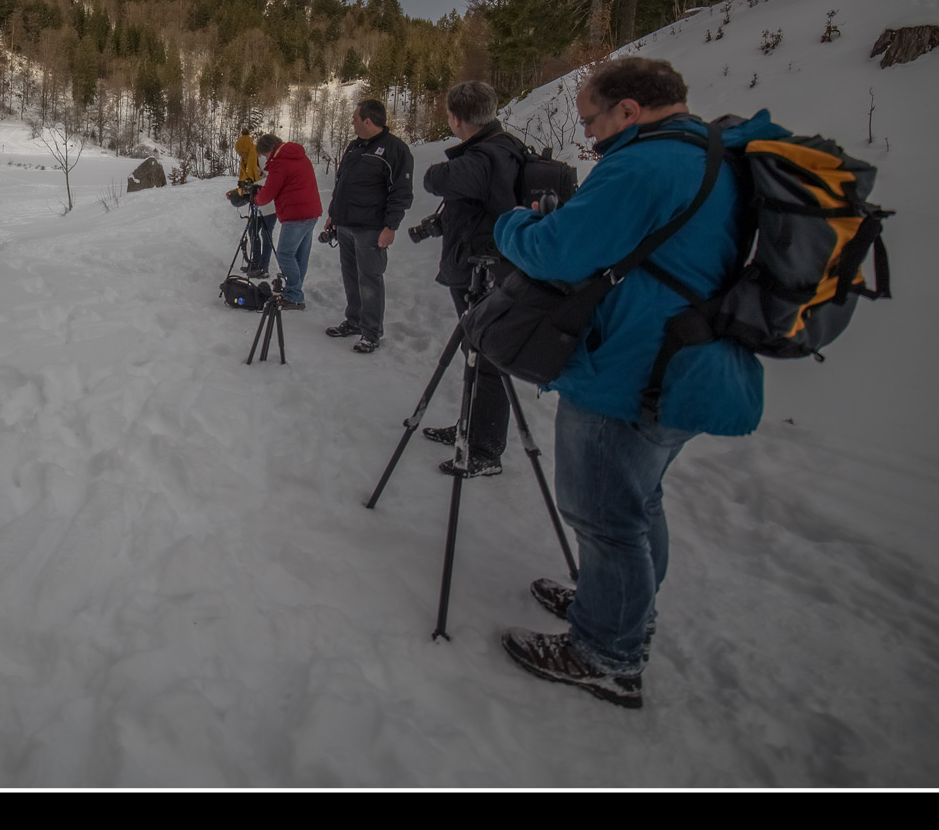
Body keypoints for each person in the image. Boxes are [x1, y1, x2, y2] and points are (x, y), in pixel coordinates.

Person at [492, 57, 772, 709]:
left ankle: (606, 652)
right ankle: (614, 609)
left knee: (605, 515)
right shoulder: (709, 151)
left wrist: (511, 224)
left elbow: (560, 250)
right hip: (681, 358)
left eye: (591, 118)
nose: (588, 136)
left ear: (629, 110)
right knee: (638, 502)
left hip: (631, 365)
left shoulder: (644, 164)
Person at [417, 80, 526, 478]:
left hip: (485, 269)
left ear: (458, 118)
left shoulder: (486, 157)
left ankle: (485, 449)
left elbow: (437, 180)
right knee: (475, 352)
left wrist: (441, 167)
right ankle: (473, 427)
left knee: (488, 354)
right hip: (481, 265)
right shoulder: (500, 148)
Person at [322, 98, 414, 353]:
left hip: (371, 228)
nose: (352, 122)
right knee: (350, 276)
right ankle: (354, 321)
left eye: (355, 118)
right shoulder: (355, 146)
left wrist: (391, 226)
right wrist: (333, 215)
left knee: (370, 280)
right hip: (346, 225)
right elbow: (342, 183)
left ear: (368, 121)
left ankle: (371, 332)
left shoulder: (395, 149)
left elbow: (402, 192)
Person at [247, 132, 321, 310]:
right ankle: (294, 291)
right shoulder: (298, 156)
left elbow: (268, 194)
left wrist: (255, 199)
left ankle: (294, 295)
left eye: (264, 155)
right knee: (300, 256)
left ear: (269, 150)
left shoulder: (280, 163)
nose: (265, 159)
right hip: (311, 212)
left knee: (285, 254)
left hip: (295, 215)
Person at [232, 127, 272, 275]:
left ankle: (263, 267)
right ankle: (255, 263)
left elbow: (272, 178)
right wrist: (240, 191)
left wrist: (254, 185)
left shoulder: (260, 157)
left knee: (266, 234)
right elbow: (249, 180)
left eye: (241, 152)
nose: (240, 155)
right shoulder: (247, 162)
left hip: (270, 204)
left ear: (247, 149)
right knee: (252, 232)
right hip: (257, 201)